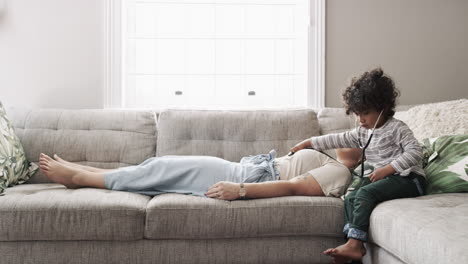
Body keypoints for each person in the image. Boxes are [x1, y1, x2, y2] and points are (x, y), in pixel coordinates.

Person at [290, 68, 426, 263]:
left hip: (409, 179)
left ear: (383, 108)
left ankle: (354, 244)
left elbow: (415, 152)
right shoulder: (363, 131)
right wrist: (308, 143)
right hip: (387, 178)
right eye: (357, 114)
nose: (360, 119)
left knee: (365, 194)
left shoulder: (398, 129)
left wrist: (389, 169)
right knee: (351, 196)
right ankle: (352, 245)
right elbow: (337, 139)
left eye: (366, 113)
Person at [38, 144, 357, 201]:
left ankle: (80, 178)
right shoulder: (329, 152)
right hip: (243, 170)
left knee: (161, 168)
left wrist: (240, 190)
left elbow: (293, 188)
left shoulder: (340, 173)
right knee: (157, 167)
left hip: (244, 179)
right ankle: (88, 174)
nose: (352, 131)